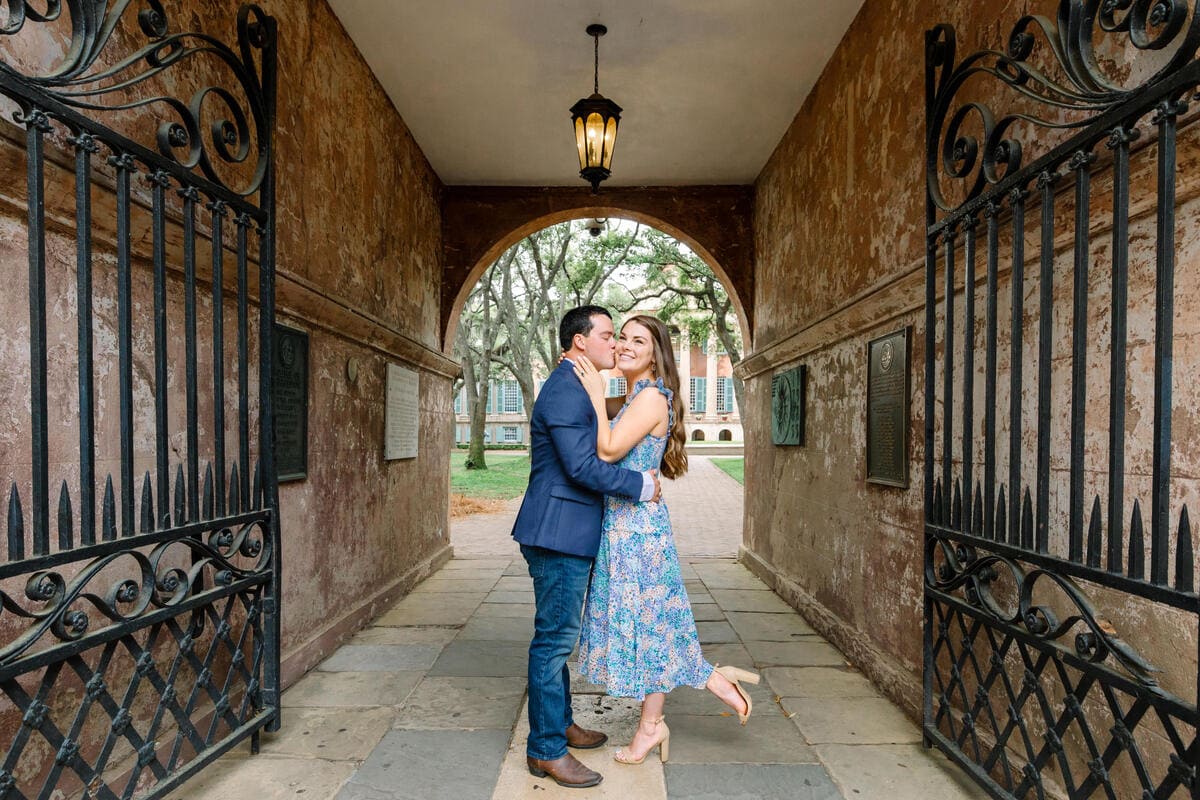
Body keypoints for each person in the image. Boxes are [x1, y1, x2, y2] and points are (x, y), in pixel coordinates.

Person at [574, 314, 759, 765]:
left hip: (638, 533)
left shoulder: (652, 398)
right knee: (653, 628)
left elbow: (608, 450)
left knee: (650, 631)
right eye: (621, 338)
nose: (624, 346)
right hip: (628, 526)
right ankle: (712, 682)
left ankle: (653, 726)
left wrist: (598, 397)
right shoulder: (638, 394)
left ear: (656, 353)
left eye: (638, 341)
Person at [511, 305, 662, 789]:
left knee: (559, 639)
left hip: (567, 531)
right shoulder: (564, 391)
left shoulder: (580, 387)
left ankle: (562, 724)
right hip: (556, 533)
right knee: (554, 642)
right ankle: (546, 751)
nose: (615, 343)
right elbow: (582, 467)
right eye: (607, 335)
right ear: (580, 342)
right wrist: (641, 485)